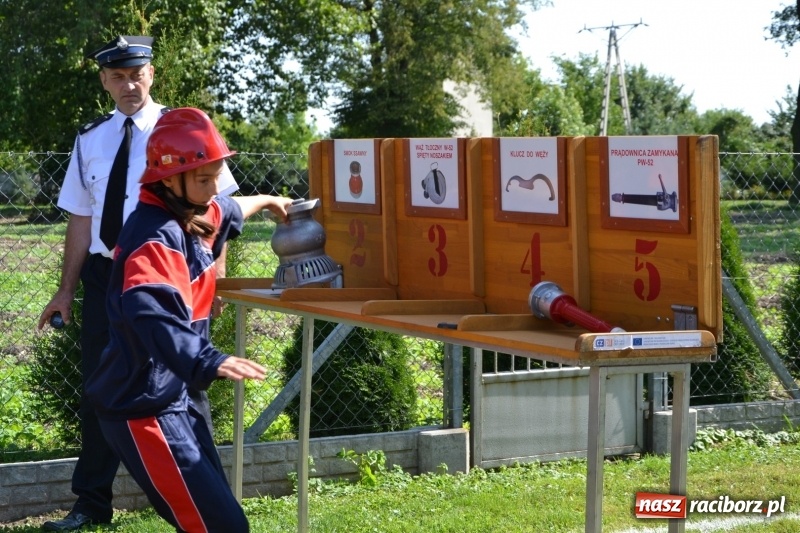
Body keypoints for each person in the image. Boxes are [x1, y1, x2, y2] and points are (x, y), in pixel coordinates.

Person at [37, 36, 238, 531]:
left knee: (188, 385)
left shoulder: (188, 129)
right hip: (109, 276)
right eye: (118, 76)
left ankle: (206, 494)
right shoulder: (91, 138)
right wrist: (66, 289)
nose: (130, 84)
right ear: (104, 81)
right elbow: (81, 219)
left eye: (138, 73)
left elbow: (217, 209)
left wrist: (210, 275)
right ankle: (91, 502)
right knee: (103, 389)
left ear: (152, 74)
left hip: (173, 275)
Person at [85, 107, 293, 532]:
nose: (214, 187)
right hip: (142, 408)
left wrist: (270, 200)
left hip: (172, 398)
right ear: (167, 178)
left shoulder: (191, 215)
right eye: (204, 178)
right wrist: (206, 360)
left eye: (216, 174)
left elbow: (228, 210)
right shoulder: (152, 238)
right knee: (221, 526)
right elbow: (150, 312)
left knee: (217, 522)